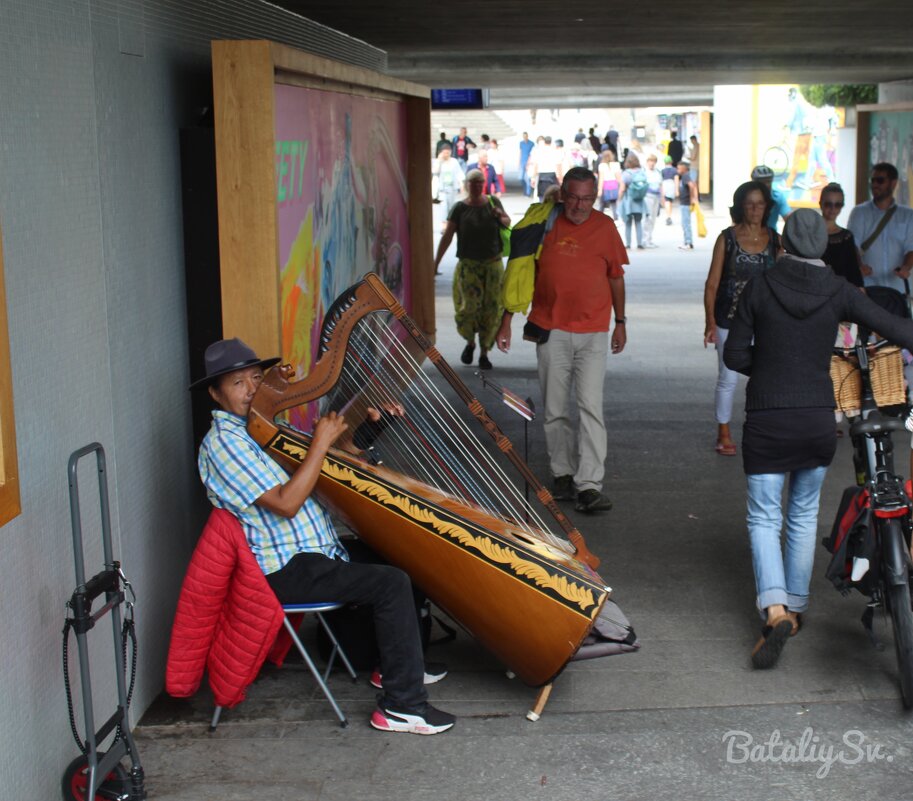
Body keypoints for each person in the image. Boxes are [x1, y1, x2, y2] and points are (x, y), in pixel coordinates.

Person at [192, 338, 455, 733]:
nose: (250, 390)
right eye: (237, 383)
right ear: (215, 393)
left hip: (316, 552)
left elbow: (324, 468)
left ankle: (396, 668)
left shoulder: (262, 429)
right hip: (285, 568)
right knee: (391, 584)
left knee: (401, 552)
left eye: (255, 379)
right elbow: (286, 502)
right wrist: (319, 442)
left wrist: (371, 431)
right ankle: (402, 706)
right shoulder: (225, 444)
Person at [723, 209, 913, 669]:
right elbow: (899, 330)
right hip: (815, 419)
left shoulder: (760, 287)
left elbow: (733, 354)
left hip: (768, 417)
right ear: (823, 248)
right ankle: (797, 607)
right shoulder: (838, 289)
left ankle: (774, 611)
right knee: (804, 514)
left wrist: (767, 369)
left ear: (781, 244)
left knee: (765, 517)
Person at [495, 167, 628, 513]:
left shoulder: (606, 228)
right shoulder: (544, 225)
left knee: (590, 407)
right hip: (550, 330)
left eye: (587, 199)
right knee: (555, 409)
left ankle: (589, 485)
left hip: (594, 332)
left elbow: (615, 277)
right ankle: (563, 474)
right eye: (574, 197)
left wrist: (621, 322)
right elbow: (520, 273)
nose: (580, 206)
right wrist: (506, 321)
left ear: (595, 197)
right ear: (561, 195)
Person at [703, 181, 780, 457]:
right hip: (729, 318)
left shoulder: (775, 240)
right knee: (728, 377)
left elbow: (782, 281)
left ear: (767, 207)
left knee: (765, 377)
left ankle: (761, 427)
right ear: (740, 207)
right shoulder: (727, 238)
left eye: (760, 203)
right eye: (749, 203)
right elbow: (712, 283)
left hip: (766, 321)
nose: (755, 208)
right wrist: (709, 322)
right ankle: (723, 431)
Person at [434, 169, 510, 370]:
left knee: (492, 309)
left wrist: (500, 216)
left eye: (480, 182)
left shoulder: (493, 203)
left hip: (492, 265)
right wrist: (436, 263)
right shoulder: (459, 208)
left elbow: (507, 223)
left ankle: (485, 351)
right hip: (469, 266)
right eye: (473, 182)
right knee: (468, 307)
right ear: (467, 185)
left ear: (483, 184)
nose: (476, 186)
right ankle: (470, 342)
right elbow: (448, 236)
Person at [847, 162, 913, 296]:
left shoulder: (908, 215)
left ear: (893, 183)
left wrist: (906, 267)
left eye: (880, 180)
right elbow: (853, 244)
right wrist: (859, 266)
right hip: (868, 288)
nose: (875, 184)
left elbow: (911, 247)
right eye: (872, 180)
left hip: (898, 290)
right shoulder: (859, 213)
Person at [819, 182, 863, 287]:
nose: (833, 209)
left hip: (839, 294)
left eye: (838, 205)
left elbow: (854, 273)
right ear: (820, 203)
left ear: (842, 206)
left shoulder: (846, 237)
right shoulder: (809, 233)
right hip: (813, 292)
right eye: (828, 204)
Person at [431, 143, 464, 235]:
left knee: (451, 207)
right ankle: (444, 226)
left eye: (448, 152)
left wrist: (461, 184)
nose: (446, 154)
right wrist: (439, 160)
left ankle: (452, 225)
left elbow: (459, 173)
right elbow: (434, 172)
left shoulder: (454, 161)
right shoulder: (439, 162)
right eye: (444, 153)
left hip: (452, 187)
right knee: (443, 207)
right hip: (442, 189)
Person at [618, 153, 647, 250]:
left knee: (628, 223)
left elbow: (622, 189)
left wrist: (619, 199)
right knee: (638, 222)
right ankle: (639, 243)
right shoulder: (642, 172)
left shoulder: (626, 174)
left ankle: (628, 244)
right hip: (639, 201)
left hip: (628, 201)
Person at [750, 165, 791, 230]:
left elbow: (789, 220)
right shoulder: (745, 197)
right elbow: (736, 222)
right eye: (761, 182)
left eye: (768, 181)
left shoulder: (778, 197)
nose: (766, 185)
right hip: (748, 237)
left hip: (771, 237)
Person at [528, 135, 561, 201]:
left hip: (542, 175)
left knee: (542, 196)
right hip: (552, 175)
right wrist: (560, 178)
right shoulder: (555, 151)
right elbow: (558, 166)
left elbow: (536, 165)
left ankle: (543, 209)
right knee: (553, 195)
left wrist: (533, 178)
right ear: (551, 142)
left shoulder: (539, 151)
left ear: (544, 142)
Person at [675, 160, 698, 249]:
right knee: (684, 223)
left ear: (684, 168)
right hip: (684, 202)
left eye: (679, 168)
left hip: (685, 203)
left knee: (686, 223)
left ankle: (688, 242)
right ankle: (686, 242)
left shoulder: (685, 176)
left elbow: (691, 186)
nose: (677, 170)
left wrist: (692, 198)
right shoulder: (685, 176)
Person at [642, 153, 663, 248]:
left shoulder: (657, 172)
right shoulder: (644, 172)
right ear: (647, 162)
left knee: (653, 218)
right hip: (647, 196)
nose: (652, 163)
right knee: (647, 218)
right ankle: (645, 239)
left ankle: (649, 239)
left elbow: (660, 185)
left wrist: (662, 197)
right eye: (650, 161)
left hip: (656, 197)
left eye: (653, 161)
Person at [597, 149, 621, 220]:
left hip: (605, 185)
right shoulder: (616, 164)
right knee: (613, 203)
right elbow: (618, 177)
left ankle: (599, 216)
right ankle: (615, 217)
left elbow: (601, 178)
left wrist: (599, 189)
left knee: (602, 203)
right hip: (614, 184)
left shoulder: (601, 165)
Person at [661, 155, 676, 226]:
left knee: (667, 201)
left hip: (665, 185)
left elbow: (661, 180)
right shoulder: (674, 170)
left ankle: (668, 216)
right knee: (670, 201)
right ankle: (669, 216)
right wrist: (677, 190)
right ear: (671, 162)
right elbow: (676, 180)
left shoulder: (662, 171)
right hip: (672, 185)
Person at [519, 132, 535, 197]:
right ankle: (525, 189)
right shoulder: (521, 143)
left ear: (527, 136)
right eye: (523, 136)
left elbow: (532, 153)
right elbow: (520, 152)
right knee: (521, 178)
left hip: (529, 163)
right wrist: (519, 161)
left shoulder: (531, 143)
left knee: (528, 178)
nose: (524, 137)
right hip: (523, 161)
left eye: (525, 136)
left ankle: (528, 192)